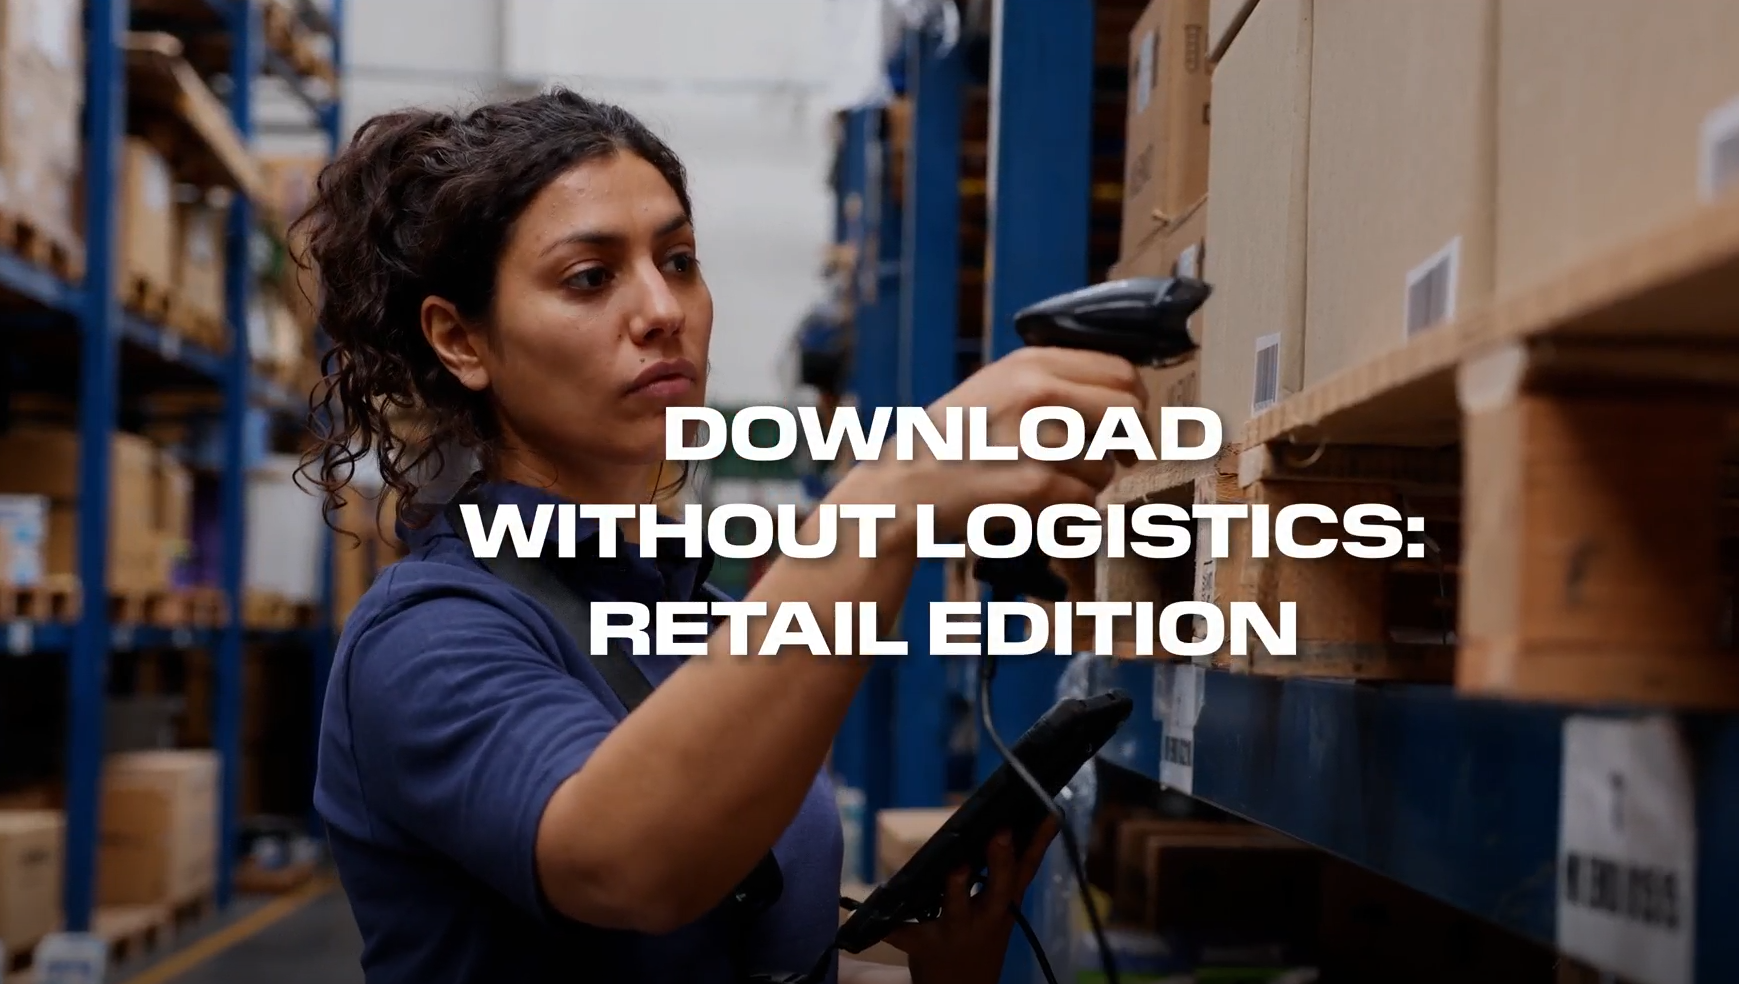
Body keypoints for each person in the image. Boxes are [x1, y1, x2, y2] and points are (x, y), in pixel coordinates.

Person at [302, 88, 1145, 983]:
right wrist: (881, 505)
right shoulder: (430, 632)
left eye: (679, 260)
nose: (662, 308)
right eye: (590, 277)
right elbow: (628, 862)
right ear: (461, 340)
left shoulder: (704, 619)